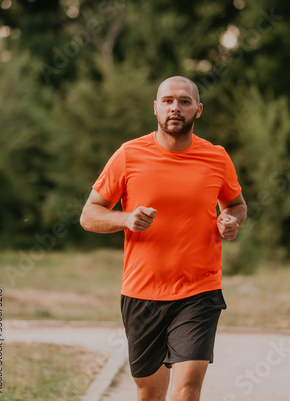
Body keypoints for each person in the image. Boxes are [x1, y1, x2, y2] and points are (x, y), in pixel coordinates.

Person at [80, 76, 247, 401]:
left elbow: (236, 205)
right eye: (168, 100)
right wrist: (126, 219)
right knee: (150, 394)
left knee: (187, 388)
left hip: (199, 290)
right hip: (142, 293)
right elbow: (89, 215)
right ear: (156, 108)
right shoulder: (129, 154)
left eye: (184, 101)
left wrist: (231, 220)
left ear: (198, 110)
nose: (176, 107)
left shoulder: (216, 157)